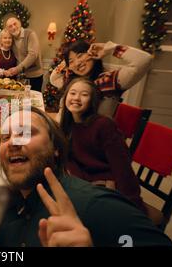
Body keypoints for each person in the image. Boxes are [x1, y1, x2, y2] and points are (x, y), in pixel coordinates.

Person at [0, 106, 172, 247]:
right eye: (5, 137)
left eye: (26, 133)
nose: (12, 142)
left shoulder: (93, 205)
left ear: (56, 148)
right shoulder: (15, 211)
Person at [59, 78, 146, 212]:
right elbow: (69, 158)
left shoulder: (103, 125)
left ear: (92, 101)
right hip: (85, 183)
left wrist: (131, 203)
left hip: (105, 185)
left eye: (84, 95)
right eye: (73, 93)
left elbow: (122, 165)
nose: (76, 98)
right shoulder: (69, 124)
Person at [50, 40, 152, 118]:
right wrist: (65, 62)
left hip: (89, 141)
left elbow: (144, 60)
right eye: (71, 61)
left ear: (92, 53)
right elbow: (53, 78)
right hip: (64, 135)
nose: (77, 63)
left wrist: (110, 49)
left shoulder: (109, 81)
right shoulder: (73, 82)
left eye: (80, 55)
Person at [4, 17, 43, 92]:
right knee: (21, 100)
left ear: (20, 23)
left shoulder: (30, 34)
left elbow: (33, 55)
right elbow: (2, 44)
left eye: (15, 24)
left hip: (35, 76)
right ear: (8, 29)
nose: (13, 27)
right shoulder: (12, 38)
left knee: (33, 102)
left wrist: (17, 69)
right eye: (10, 26)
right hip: (21, 77)